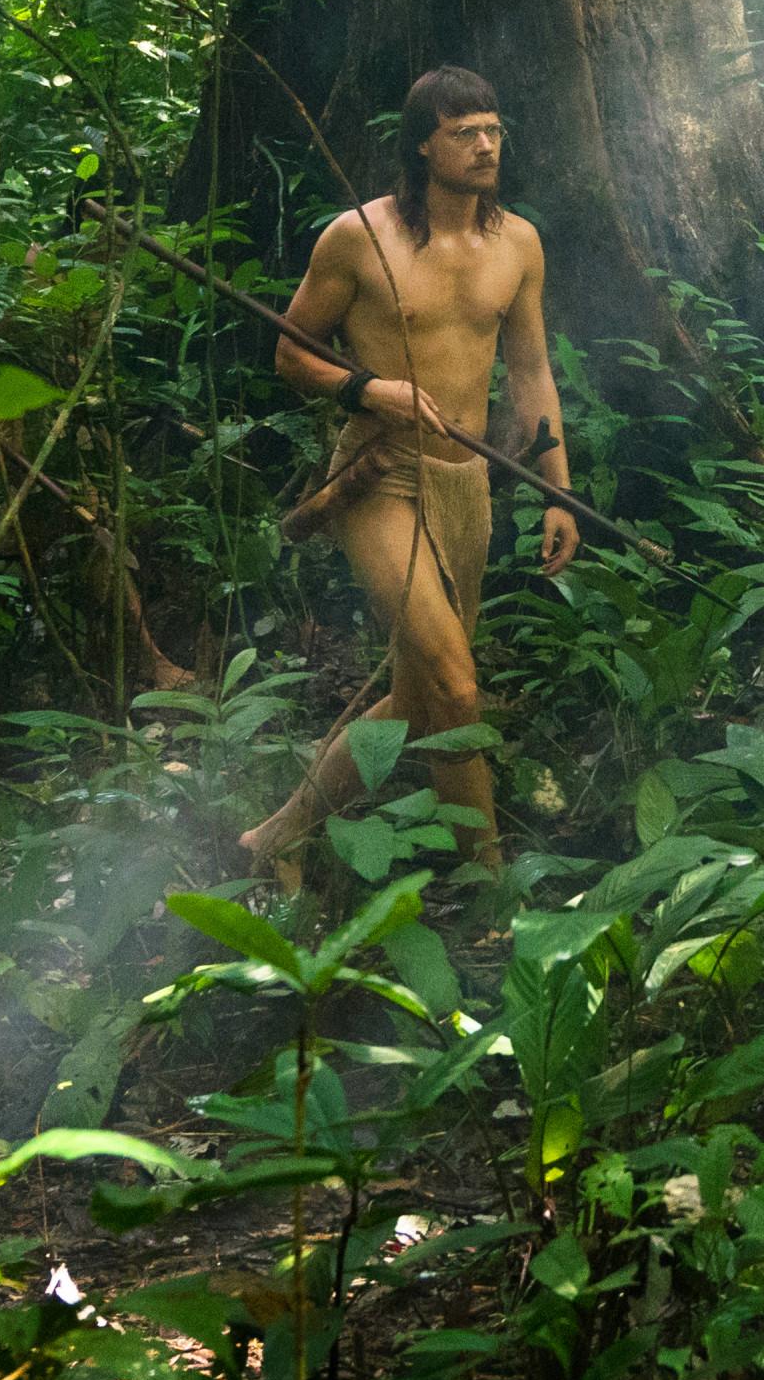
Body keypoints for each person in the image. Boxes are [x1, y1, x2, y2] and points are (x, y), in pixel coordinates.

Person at [239, 66, 579, 878]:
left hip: (469, 486)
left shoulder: (518, 243)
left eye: (493, 130)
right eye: (465, 134)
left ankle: (275, 838)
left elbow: (531, 374)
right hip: (377, 476)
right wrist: (370, 388)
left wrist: (558, 492)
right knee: (457, 690)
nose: (486, 145)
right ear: (422, 144)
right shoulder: (360, 237)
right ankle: (491, 885)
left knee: (425, 699)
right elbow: (290, 352)